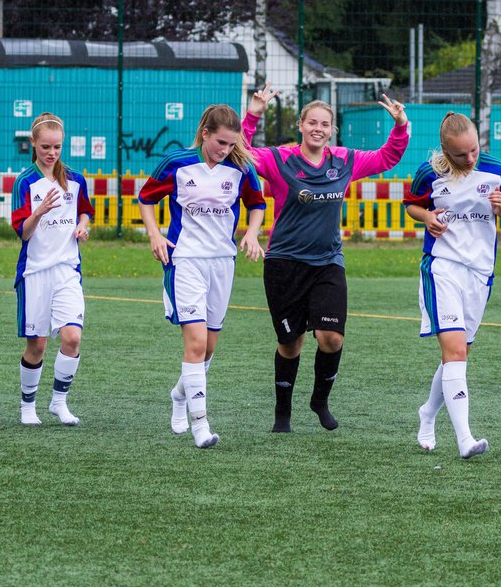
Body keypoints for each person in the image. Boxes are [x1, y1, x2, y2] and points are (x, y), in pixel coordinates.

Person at [242, 84, 408, 433]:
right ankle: (282, 412)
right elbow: (239, 151)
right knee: (291, 343)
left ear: (332, 130)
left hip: (327, 262)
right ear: (300, 126)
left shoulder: (345, 161)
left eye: (325, 124)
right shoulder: (279, 160)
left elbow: (386, 158)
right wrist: (253, 113)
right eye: (312, 122)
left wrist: (400, 127)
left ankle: (320, 400)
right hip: (284, 263)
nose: (318, 128)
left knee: (331, 337)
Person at [138, 104, 267, 449]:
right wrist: (154, 234)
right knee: (194, 344)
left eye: (231, 144)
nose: (225, 150)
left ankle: (180, 396)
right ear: (206, 134)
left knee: (208, 348)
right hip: (185, 261)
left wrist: (252, 234)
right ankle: (201, 425)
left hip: (222, 263)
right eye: (221, 142)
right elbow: (145, 197)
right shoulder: (177, 163)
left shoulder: (240, 167)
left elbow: (258, 205)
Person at [404, 112, 501, 459]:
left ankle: (427, 413)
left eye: (473, 150)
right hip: (442, 268)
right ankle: (465, 440)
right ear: (445, 150)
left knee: (459, 355)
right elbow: (413, 205)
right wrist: (427, 216)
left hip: (480, 273)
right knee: (455, 352)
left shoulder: (496, 170)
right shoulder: (430, 173)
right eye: (460, 155)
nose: (469, 159)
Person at [11, 113, 95, 427]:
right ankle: (27, 406)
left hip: (67, 270)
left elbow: (85, 211)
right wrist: (40, 211)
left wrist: (82, 228)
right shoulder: (25, 182)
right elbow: (23, 232)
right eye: (45, 146)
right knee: (38, 344)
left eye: (57, 147)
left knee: (72, 338)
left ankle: (59, 402)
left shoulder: (74, 179)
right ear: (33, 144)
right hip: (34, 273)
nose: (51, 152)